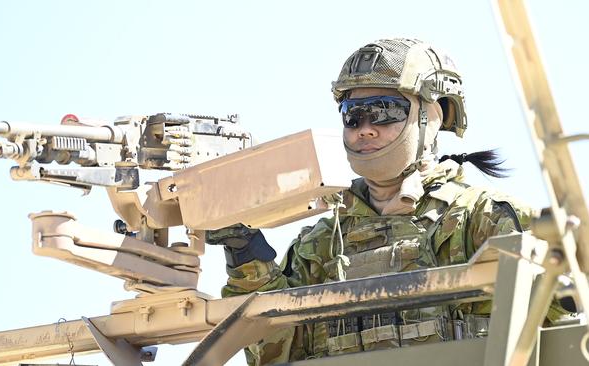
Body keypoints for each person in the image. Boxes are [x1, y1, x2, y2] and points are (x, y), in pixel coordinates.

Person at [207, 38, 559, 365]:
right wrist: (246, 256)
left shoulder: (480, 220)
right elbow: (271, 353)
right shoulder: (319, 245)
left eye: (383, 111)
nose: (365, 128)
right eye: (352, 115)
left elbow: (562, 311)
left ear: (430, 118)